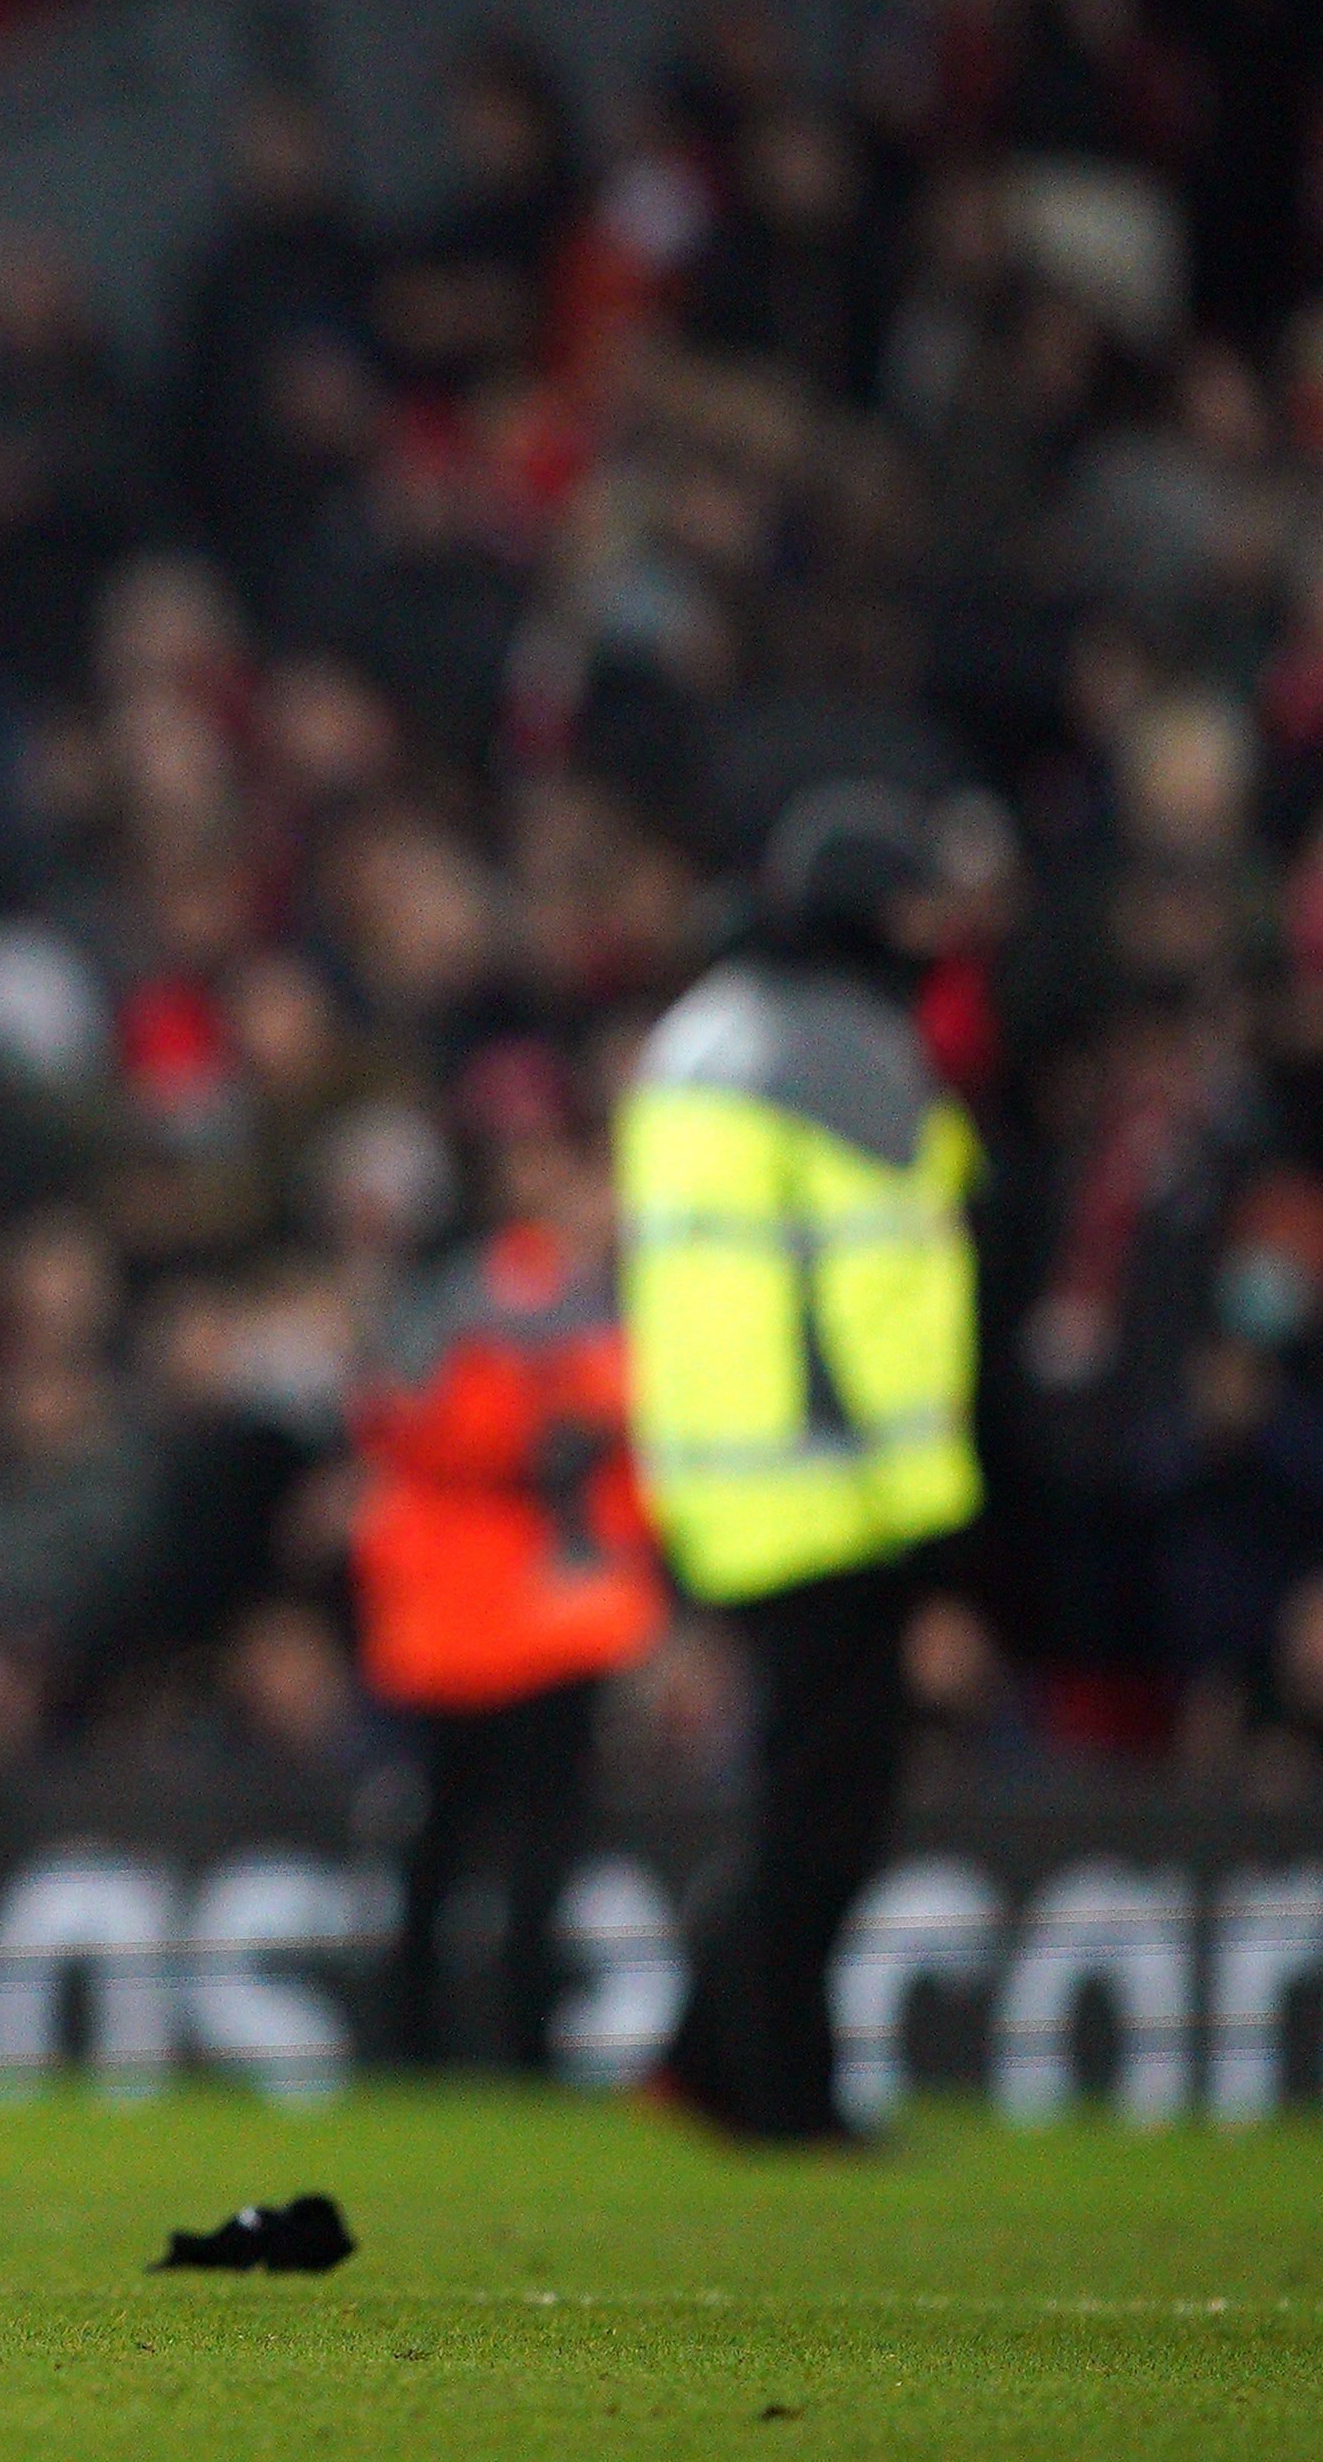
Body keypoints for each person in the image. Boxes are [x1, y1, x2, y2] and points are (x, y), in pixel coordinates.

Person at [620, 784, 981, 2143]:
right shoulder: (847, 1053)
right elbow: (881, 1310)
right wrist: (931, 1528)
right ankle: (780, 2093)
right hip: (834, 1492)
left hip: (714, 1480)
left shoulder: (697, 1037)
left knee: (790, 1792)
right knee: (824, 1815)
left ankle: (704, 2052)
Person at [349, 1043, 664, 2073]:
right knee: (482, 1840)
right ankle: (445, 2040)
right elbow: (411, 1420)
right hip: (489, 1610)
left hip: (537, 1609)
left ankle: (453, 2041)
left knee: (500, 1843)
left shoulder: (588, 1289)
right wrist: (555, 1421)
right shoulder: (497, 1289)